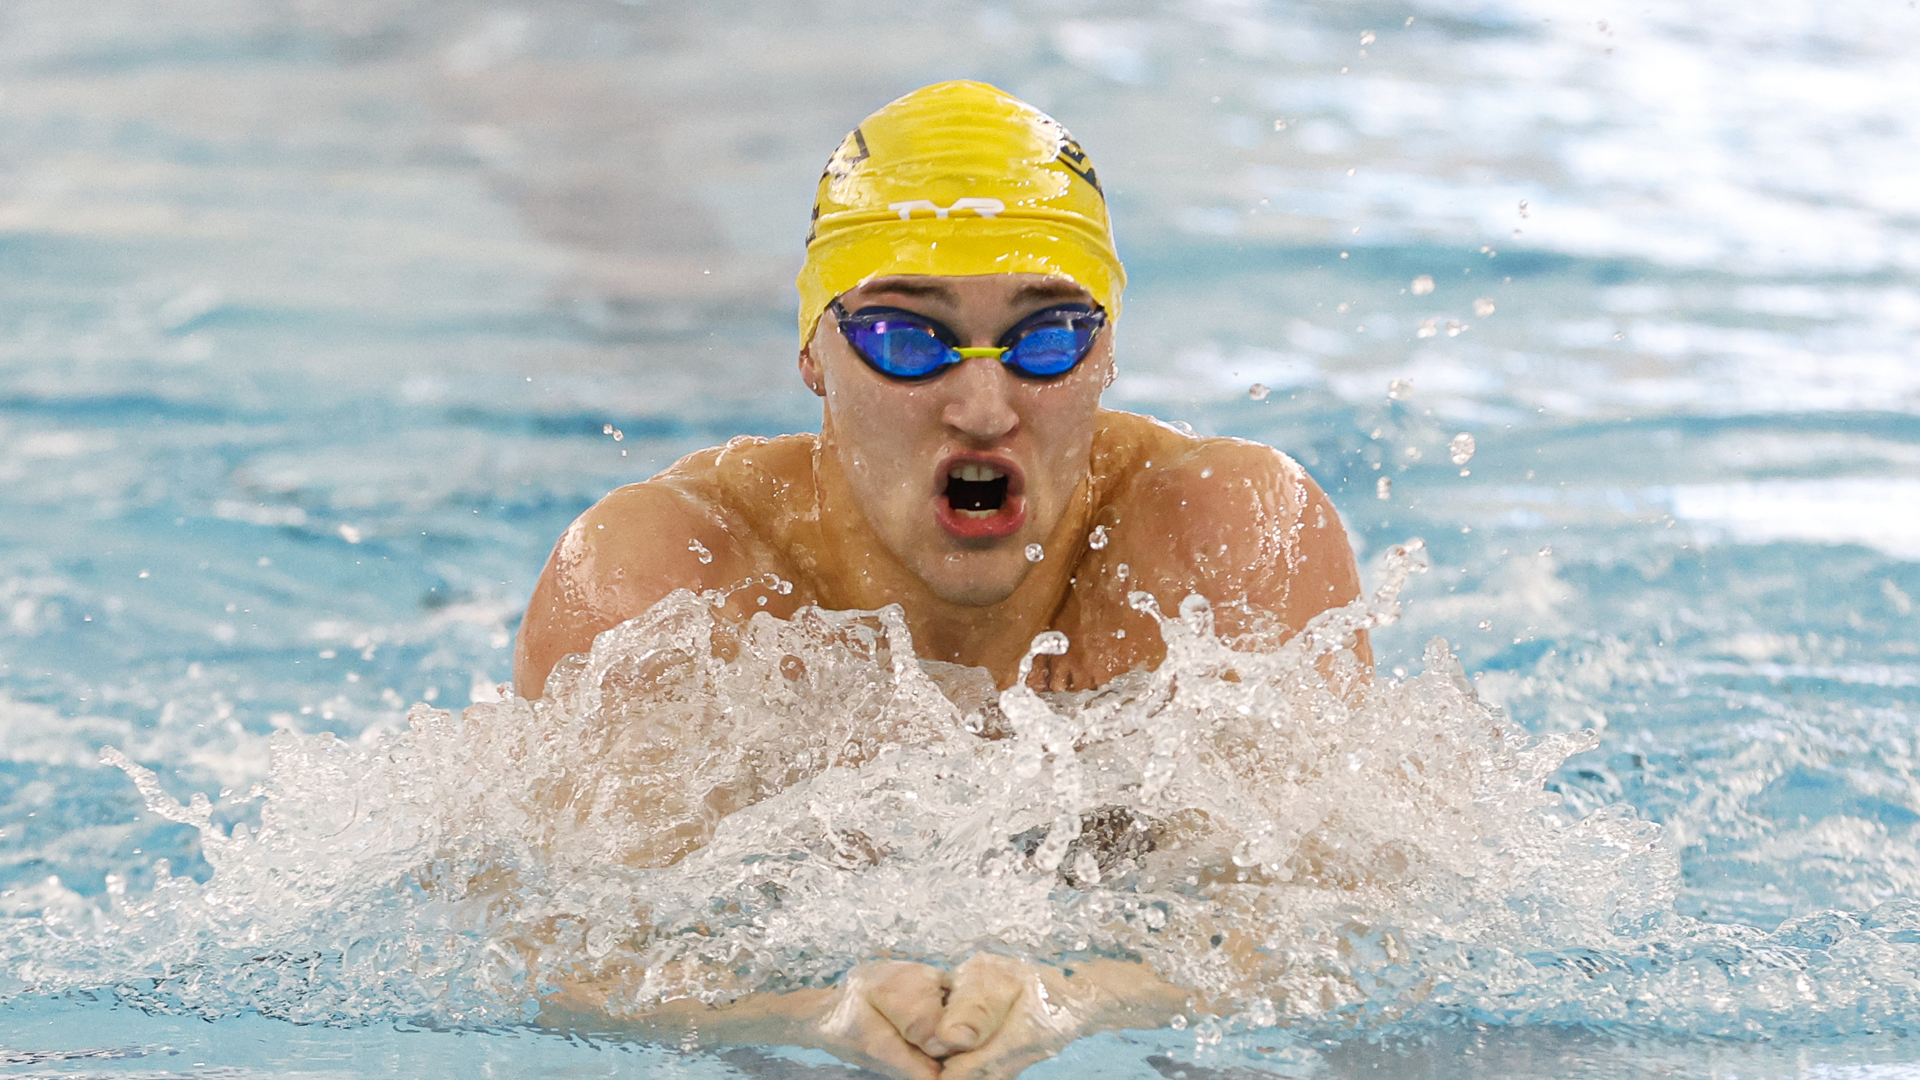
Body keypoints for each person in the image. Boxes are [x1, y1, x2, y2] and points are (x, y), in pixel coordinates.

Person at [516, 81, 1369, 1079]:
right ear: (813, 352)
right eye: (905, 340)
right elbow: (553, 960)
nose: (981, 405)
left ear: (1108, 354)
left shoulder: (1226, 538)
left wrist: (1088, 997)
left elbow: (1346, 927)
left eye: (1047, 336)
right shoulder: (666, 584)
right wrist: (804, 1016)